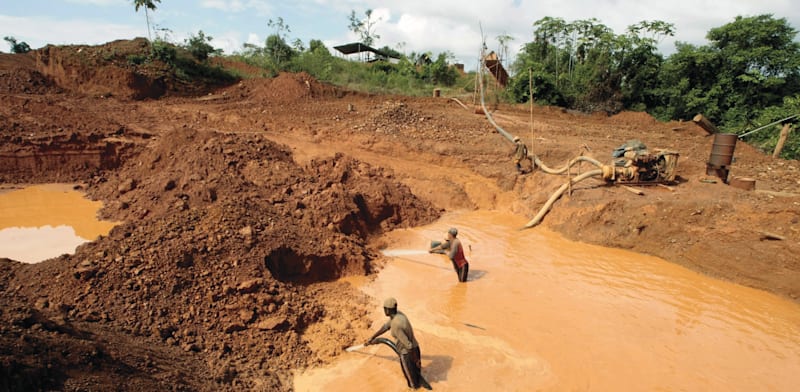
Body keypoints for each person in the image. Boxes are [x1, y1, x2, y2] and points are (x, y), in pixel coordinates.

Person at [366, 297, 425, 389]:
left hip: (408, 354)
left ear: (388, 310)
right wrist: (373, 337)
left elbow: (408, 346)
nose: (384, 310)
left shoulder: (396, 324)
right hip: (416, 348)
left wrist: (415, 360)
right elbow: (385, 327)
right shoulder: (398, 315)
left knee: (412, 384)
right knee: (416, 377)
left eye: (384, 309)